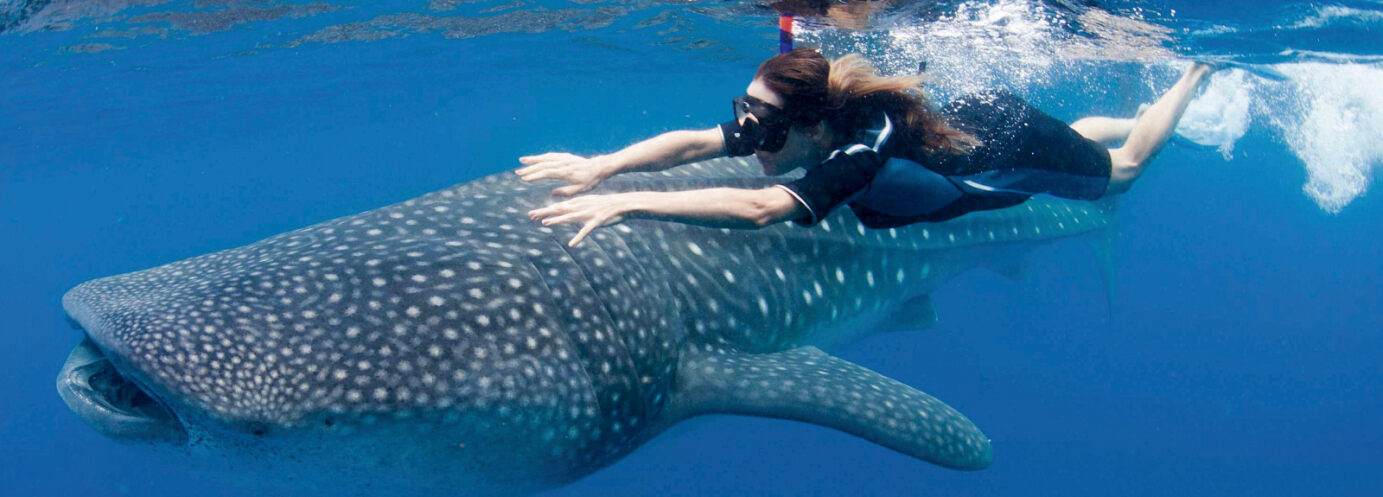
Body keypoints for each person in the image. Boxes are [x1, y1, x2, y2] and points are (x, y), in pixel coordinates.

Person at [520, 47, 1215, 247]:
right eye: (749, 122)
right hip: (975, 125)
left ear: (815, 127)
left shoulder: (860, 148)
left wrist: (626, 204)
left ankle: (1189, 77)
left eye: (763, 129)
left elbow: (763, 208)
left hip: (999, 146)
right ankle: (1093, 129)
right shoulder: (794, 121)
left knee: (1119, 174)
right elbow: (695, 141)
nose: (748, 139)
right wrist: (601, 164)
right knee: (1069, 145)